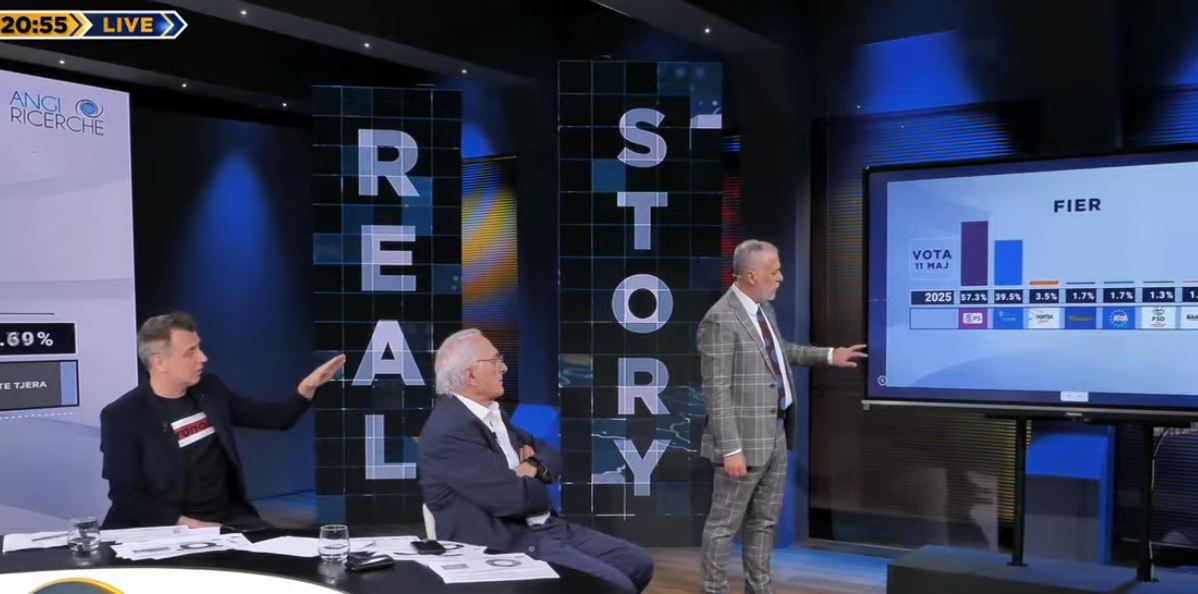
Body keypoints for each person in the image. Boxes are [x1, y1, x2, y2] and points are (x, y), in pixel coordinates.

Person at [418, 329, 654, 594]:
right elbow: (514, 501)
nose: (504, 368)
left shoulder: (493, 415)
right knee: (616, 586)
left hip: (547, 528)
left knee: (637, 563)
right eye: (495, 361)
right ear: (470, 375)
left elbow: (550, 454)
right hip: (507, 543)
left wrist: (530, 468)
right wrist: (535, 482)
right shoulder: (450, 430)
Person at [699, 240, 867, 594]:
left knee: (764, 523)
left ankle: (760, 588)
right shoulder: (720, 319)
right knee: (722, 527)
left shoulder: (763, 309)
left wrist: (829, 356)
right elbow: (716, 391)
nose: (781, 277)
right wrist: (731, 449)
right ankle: (715, 590)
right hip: (742, 442)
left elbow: (781, 351)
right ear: (751, 275)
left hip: (776, 433)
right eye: (774, 271)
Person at [99, 312, 345, 530]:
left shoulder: (210, 389)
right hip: (171, 525)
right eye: (190, 352)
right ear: (159, 362)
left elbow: (278, 419)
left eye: (199, 347)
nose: (203, 357)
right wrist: (187, 524)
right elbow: (126, 496)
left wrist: (307, 389)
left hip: (227, 518)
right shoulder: (123, 416)